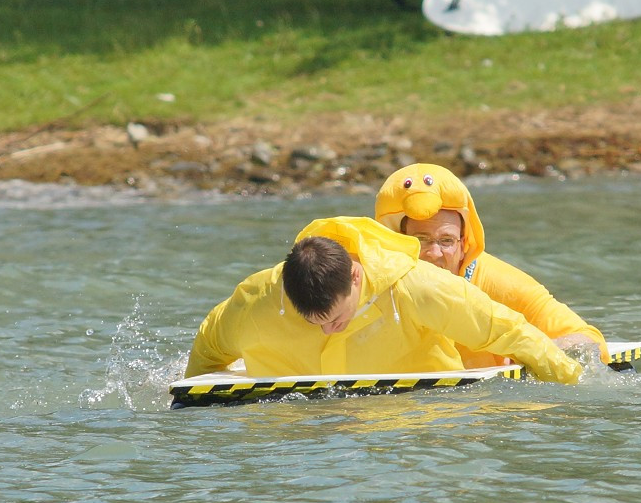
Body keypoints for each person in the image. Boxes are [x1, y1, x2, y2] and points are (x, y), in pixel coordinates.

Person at [184, 216, 585, 384]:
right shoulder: (257, 299)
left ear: (355, 275)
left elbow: (507, 330)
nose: (327, 330)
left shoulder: (418, 288)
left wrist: (572, 381)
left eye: (335, 318)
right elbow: (209, 345)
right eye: (313, 322)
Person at [375, 163, 610, 367]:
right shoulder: (371, 282)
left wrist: (532, 351)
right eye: (420, 240)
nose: (434, 253)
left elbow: (590, 341)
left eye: (446, 241)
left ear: (464, 242)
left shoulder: (503, 284)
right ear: (397, 242)